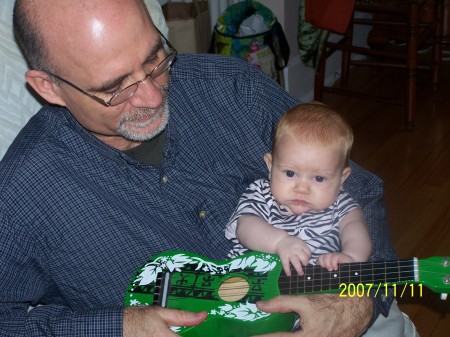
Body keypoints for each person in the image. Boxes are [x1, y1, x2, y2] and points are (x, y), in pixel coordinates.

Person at [0, 0, 411, 336]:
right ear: (47, 86)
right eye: (114, 87)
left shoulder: (232, 88)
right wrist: (114, 327)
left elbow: (361, 193)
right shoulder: (26, 189)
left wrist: (358, 303)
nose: (150, 95)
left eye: (155, 59)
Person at [225, 103, 372, 276]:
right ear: (271, 166)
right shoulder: (261, 193)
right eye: (290, 173)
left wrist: (351, 257)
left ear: (341, 179)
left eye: (318, 178)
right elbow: (245, 227)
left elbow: (356, 229)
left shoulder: (341, 203)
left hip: (312, 287)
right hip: (252, 280)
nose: (302, 189)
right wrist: (280, 242)